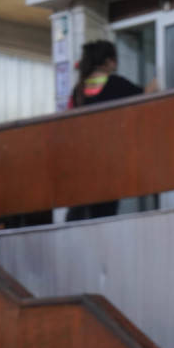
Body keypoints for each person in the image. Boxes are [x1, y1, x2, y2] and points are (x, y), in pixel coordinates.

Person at [65, 41, 146, 222]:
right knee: (104, 216)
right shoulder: (116, 84)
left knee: (79, 213)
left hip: (81, 162)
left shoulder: (77, 91)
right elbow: (145, 97)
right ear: (109, 61)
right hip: (108, 161)